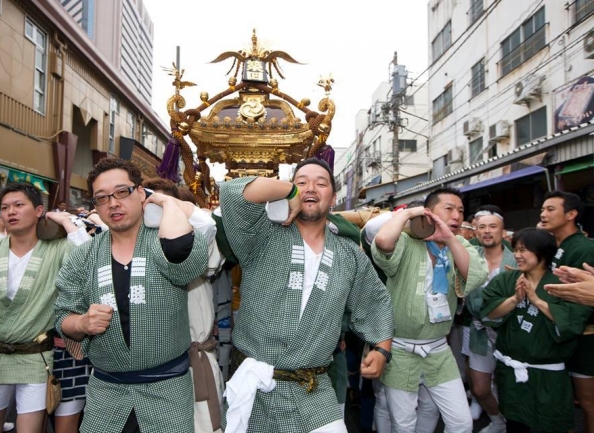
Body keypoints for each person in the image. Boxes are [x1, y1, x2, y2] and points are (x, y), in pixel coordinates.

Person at [218, 158, 394, 433]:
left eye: (321, 183)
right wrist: (288, 191)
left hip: (313, 386)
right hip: (256, 386)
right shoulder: (260, 237)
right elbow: (232, 193)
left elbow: (374, 300)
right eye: (302, 183)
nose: (311, 188)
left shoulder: (349, 255)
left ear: (333, 198)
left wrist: (382, 348)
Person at [54, 158, 208, 433]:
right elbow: (63, 313)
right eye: (102, 198)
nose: (113, 203)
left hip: (168, 391)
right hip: (106, 392)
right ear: (95, 206)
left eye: (122, 192)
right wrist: (82, 324)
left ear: (140, 193)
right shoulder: (83, 255)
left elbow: (184, 263)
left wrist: (167, 203)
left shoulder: (161, 240)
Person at [0, 182, 89, 433]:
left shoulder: (57, 249)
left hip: (35, 355)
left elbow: (87, 260)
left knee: (29, 430)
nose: (11, 211)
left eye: (19, 205)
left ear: (39, 210)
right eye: (5, 207)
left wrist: (65, 222)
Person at [371, 187, 488, 433]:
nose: (457, 215)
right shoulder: (405, 241)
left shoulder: (460, 244)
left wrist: (450, 239)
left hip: (438, 349)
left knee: (461, 422)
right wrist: (409, 214)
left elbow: (474, 276)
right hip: (400, 349)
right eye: (449, 208)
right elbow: (382, 241)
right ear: (428, 212)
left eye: (460, 211)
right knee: (403, 425)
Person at [480, 228, 593, 432]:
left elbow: (572, 323)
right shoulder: (506, 280)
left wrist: (537, 301)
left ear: (542, 252)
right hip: (511, 372)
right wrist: (515, 299)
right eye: (515, 249)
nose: (516, 255)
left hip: (548, 376)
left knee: (550, 423)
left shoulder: (562, 284)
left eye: (523, 250)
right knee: (515, 422)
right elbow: (489, 312)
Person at [142, 176, 224, 433]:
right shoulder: (135, 245)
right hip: (150, 364)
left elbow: (207, 226)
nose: (159, 211)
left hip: (193, 358)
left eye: (164, 204)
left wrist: (172, 205)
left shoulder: (192, 244)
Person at [540, 190, 594, 432]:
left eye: (550, 209)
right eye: (542, 209)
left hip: (583, 335)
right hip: (561, 332)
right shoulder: (556, 245)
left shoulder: (584, 248)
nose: (543, 214)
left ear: (571, 214)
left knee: (587, 402)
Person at [463, 210, 516, 433]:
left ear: (503, 232)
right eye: (482, 227)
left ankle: (512, 424)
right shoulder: (469, 255)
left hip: (510, 333)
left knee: (511, 389)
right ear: (476, 231)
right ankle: (497, 421)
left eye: (493, 226)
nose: (487, 231)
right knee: (480, 388)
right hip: (479, 331)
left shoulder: (516, 259)